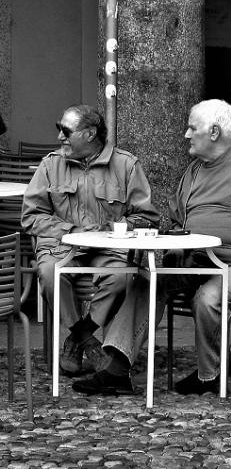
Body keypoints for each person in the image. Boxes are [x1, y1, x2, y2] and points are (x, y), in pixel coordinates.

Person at [72, 99, 231, 396]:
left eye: (193, 128)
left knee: (209, 296)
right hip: (199, 259)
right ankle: (116, 370)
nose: (186, 134)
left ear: (215, 132)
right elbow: (180, 221)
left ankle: (210, 375)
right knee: (149, 280)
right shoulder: (194, 172)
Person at [21, 104, 159, 377]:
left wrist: (113, 228)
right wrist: (70, 230)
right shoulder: (50, 164)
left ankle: (76, 339)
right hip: (62, 246)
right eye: (58, 128)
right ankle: (87, 341)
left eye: (66, 130)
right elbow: (30, 217)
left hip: (109, 248)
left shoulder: (126, 165)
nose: (60, 136)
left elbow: (147, 218)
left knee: (122, 277)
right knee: (50, 273)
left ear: (90, 134)